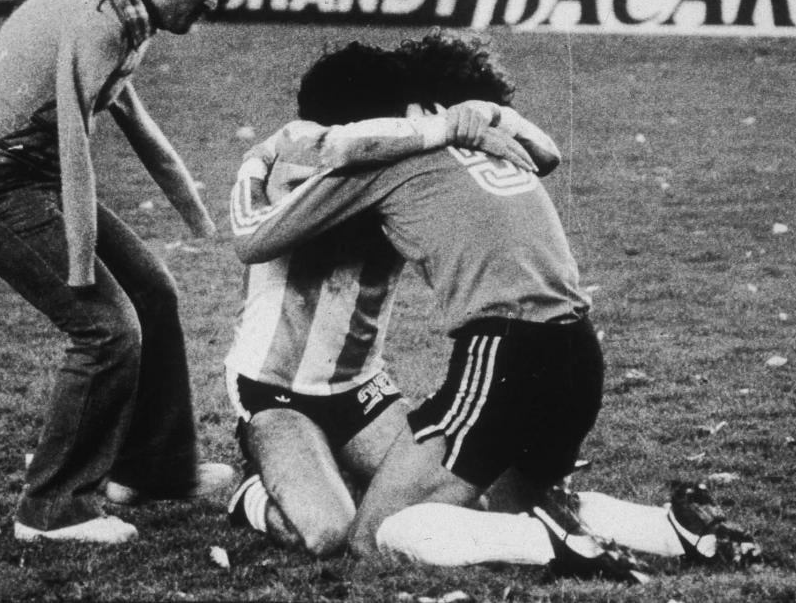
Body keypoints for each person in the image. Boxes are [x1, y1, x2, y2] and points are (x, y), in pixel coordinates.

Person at [231, 33, 762, 578]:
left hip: (504, 350)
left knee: (374, 536)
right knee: (504, 499)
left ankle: (550, 544)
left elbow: (308, 177)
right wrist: (481, 117)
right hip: (579, 351)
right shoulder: (488, 144)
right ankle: (673, 531)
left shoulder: (385, 158)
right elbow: (549, 153)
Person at [0, 0, 243, 545]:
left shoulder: (126, 11)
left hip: (28, 179)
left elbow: (129, 116)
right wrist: (80, 262)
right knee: (107, 330)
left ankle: (154, 468)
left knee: (153, 293)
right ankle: (50, 509)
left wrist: (193, 207)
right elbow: (77, 147)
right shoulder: (100, 19)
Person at [225, 39, 553, 557]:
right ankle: (252, 491)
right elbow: (250, 234)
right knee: (329, 532)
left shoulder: (407, 166)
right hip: (274, 390)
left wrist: (485, 116)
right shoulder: (284, 159)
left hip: (361, 390)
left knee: (457, 508)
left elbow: (541, 156)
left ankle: (322, 473)